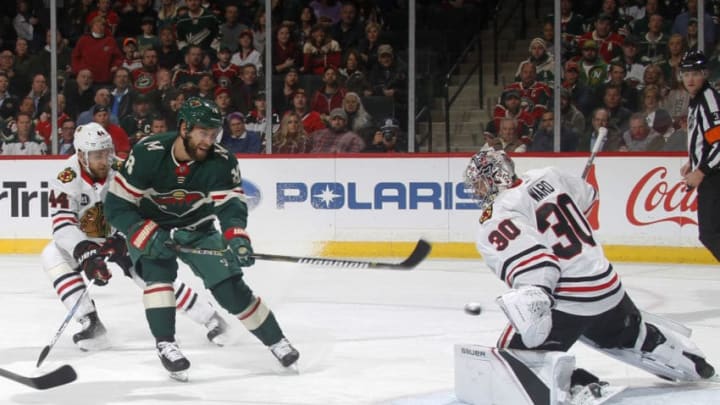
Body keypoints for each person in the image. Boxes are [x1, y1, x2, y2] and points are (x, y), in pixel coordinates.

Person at [462, 149, 715, 401]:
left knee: (508, 360)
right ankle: (682, 355)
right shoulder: (548, 175)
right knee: (626, 332)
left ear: (491, 179)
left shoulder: (497, 216)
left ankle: (577, 384)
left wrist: (534, 306)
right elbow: (588, 197)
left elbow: (539, 268)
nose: (477, 191)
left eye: (478, 184)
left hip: (572, 301)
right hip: (609, 286)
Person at [104, 98, 299, 379]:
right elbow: (116, 206)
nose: (209, 141)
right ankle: (166, 344)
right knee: (159, 278)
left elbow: (231, 207)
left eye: (213, 133)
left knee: (230, 289)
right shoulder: (149, 152)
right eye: (203, 133)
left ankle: (277, 341)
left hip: (198, 228)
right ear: (184, 128)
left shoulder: (221, 162)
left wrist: (237, 238)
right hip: (151, 225)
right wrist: (143, 233)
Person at [41, 122, 229, 351]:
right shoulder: (66, 178)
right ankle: (90, 322)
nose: (104, 160)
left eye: (106, 152)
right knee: (52, 255)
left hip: (124, 234)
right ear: (81, 155)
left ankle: (210, 317)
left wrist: (123, 236)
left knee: (151, 277)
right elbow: (62, 223)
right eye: (96, 155)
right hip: (87, 238)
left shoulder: (123, 170)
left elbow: (146, 207)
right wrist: (86, 253)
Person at [679, 50, 720, 261]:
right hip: (711, 173)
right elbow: (708, 138)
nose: (690, 79)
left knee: (711, 233)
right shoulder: (697, 100)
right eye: (686, 74)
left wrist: (701, 170)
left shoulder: (708, 101)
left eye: (695, 73)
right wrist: (693, 161)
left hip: (715, 176)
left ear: (704, 74)